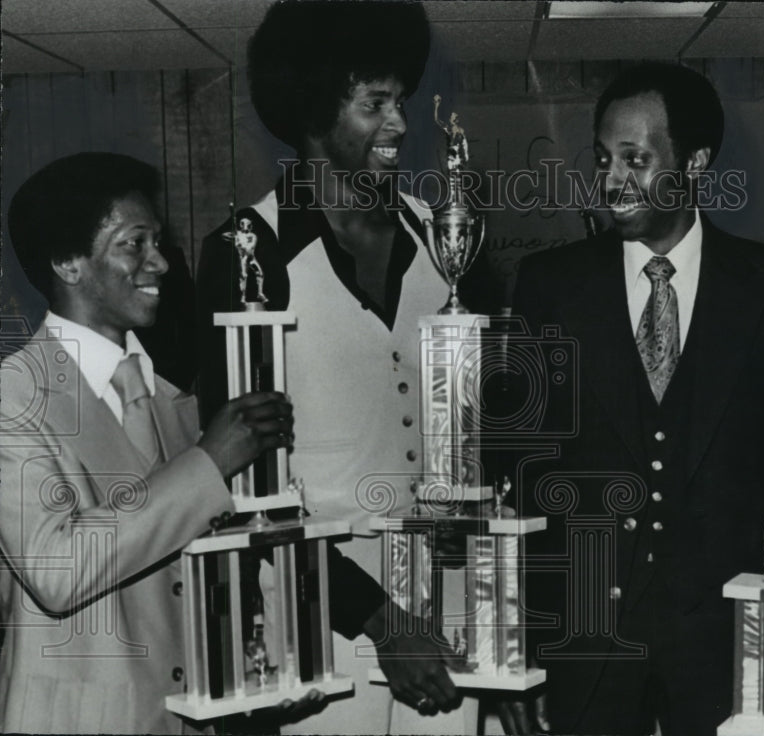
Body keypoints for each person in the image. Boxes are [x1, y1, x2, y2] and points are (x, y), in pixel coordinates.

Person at [196, 3, 498, 733]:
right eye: (374, 104)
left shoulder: (444, 234)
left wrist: (474, 508)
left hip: (447, 599)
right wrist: (379, 621)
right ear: (312, 110)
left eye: (401, 100)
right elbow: (241, 481)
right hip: (317, 615)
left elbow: (491, 420)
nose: (398, 124)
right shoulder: (248, 250)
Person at [509, 62, 764, 735]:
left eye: (635, 159)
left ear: (695, 163)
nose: (611, 180)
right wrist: (519, 643)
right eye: (604, 158)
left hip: (732, 638)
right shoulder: (549, 285)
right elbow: (521, 475)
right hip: (585, 641)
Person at [0, 152, 295, 733]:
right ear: (67, 262)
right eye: (134, 243)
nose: (160, 261)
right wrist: (207, 463)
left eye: (157, 241)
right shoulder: (13, 398)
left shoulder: (172, 399)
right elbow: (57, 570)